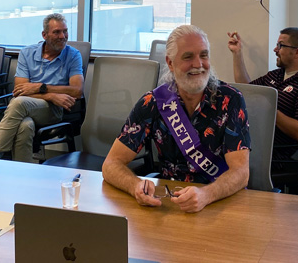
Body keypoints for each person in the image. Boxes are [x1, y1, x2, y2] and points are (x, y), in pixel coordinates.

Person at [103, 25, 250, 213]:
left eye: (204, 55)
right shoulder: (153, 102)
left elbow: (241, 173)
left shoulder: (230, 100)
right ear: (170, 63)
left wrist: (206, 195)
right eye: (188, 57)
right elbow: (111, 165)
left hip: (220, 202)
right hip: (169, 204)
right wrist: (135, 186)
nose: (198, 64)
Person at [0, 13, 83, 162]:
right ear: (44, 35)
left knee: (18, 103)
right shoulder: (27, 53)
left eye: (65, 31)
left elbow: (77, 91)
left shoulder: (73, 55)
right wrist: (50, 95)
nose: (62, 36)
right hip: (35, 104)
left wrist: (41, 87)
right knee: (26, 125)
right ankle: (24, 174)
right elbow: (19, 90)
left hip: (55, 109)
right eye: (56, 32)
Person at [228, 27, 298, 158]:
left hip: (273, 153)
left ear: (297, 52)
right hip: (252, 140)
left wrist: (270, 109)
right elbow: (247, 90)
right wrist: (237, 53)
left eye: (281, 45)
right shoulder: (277, 75)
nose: (275, 50)